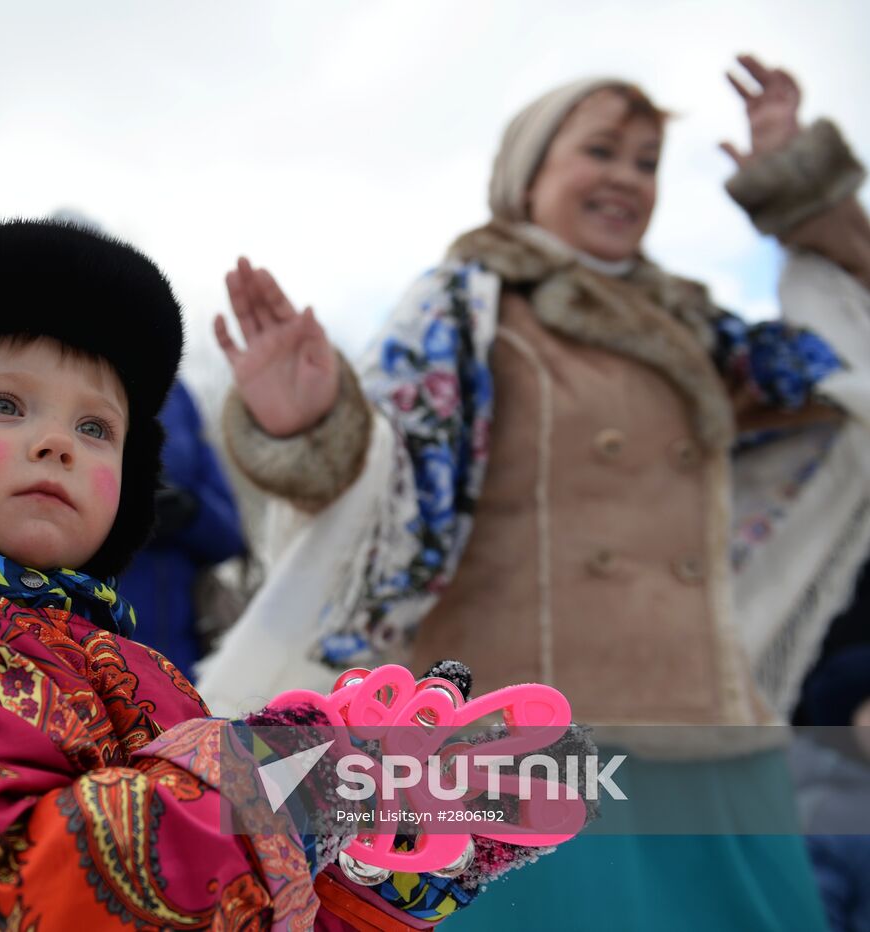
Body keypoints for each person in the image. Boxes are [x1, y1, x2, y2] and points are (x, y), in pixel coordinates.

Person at [0, 219, 581, 930]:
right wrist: (281, 783)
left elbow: (215, 902)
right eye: (5, 404)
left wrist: (367, 873)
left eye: (97, 428)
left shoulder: (114, 662)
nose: (55, 440)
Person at [199, 56, 870, 930]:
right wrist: (309, 424)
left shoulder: (700, 335)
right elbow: (389, 482)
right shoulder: (468, 306)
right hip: (521, 743)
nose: (627, 178)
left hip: (713, 739)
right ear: (528, 176)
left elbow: (847, 365)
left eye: (646, 162)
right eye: (602, 150)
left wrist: (799, 191)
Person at [117, 378, 247, 677]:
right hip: (88, 655)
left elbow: (231, 534)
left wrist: (191, 513)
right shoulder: (70, 373)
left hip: (183, 661)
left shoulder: (178, 395)